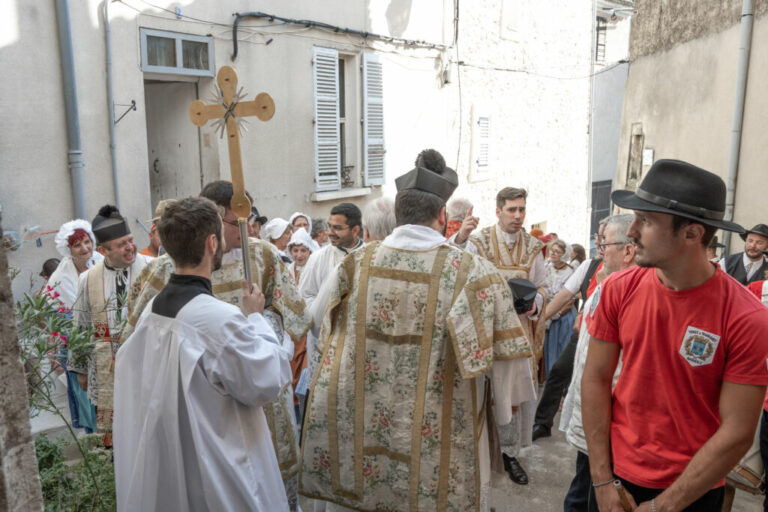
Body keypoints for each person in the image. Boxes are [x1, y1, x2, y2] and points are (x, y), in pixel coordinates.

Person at [299, 150, 535, 510]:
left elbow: (316, 323)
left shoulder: (354, 265)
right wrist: (501, 412)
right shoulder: (472, 273)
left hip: (364, 432)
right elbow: (507, 367)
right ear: (442, 216)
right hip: (440, 439)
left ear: (398, 215)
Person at [582, 159, 768, 512]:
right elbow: (595, 379)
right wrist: (602, 480)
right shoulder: (619, 289)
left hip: (693, 492)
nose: (632, 231)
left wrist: (663, 507)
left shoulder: (747, 317)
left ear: (692, 234)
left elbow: (738, 431)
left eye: (647, 221)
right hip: (616, 481)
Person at [124, 181, 312, 512]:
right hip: (225, 427)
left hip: (181, 428)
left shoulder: (153, 314)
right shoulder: (219, 319)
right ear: (213, 240)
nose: (247, 228)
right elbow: (266, 378)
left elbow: (297, 320)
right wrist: (256, 320)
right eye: (235, 223)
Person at [452, 186, 548, 485]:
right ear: (498, 211)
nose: (518, 216)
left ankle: (508, 453)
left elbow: (544, 286)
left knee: (512, 397)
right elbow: (456, 268)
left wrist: (535, 304)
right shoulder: (478, 241)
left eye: (521, 209)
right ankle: (480, 451)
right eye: (511, 210)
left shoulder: (533, 247)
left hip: (519, 331)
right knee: (483, 391)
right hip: (485, 331)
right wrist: (462, 237)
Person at [558, 214, 635, 511]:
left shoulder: (629, 291)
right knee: (582, 488)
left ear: (628, 251)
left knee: (590, 495)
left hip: (608, 422)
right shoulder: (606, 283)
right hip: (590, 412)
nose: (600, 251)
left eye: (606, 245)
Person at [69, 205, 149, 446]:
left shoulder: (154, 268)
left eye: (130, 240)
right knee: (119, 439)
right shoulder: (88, 278)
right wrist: (81, 368)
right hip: (107, 368)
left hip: (147, 359)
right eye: (122, 244)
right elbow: (81, 324)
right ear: (103, 250)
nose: (130, 247)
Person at [531, 219, 607, 442]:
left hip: (608, 338)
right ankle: (543, 423)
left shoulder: (630, 270)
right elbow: (565, 295)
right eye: (597, 237)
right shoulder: (589, 266)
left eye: (603, 238)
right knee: (557, 372)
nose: (598, 242)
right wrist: (539, 319)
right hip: (583, 333)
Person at [298, 203, 363, 306]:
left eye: (337, 228)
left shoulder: (370, 256)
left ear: (355, 230)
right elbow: (305, 297)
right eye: (329, 226)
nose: (330, 233)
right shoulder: (317, 258)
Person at [47, 220, 103, 307]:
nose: (84, 248)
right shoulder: (61, 277)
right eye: (77, 245)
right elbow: (78, 309)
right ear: (69, 249)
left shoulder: (100, 260)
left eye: (87, 242)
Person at [543, 239, 575, 376]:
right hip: (548, 313)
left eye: (557, 252)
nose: (553, 254)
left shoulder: (571, 272)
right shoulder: (546, 268)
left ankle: (562, 382)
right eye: (552, 250)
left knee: (562, 349)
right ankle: (550, 378)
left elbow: (570, 299)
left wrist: (557, 313)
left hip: (563, 315)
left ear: (564, 255)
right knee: (548, 349)